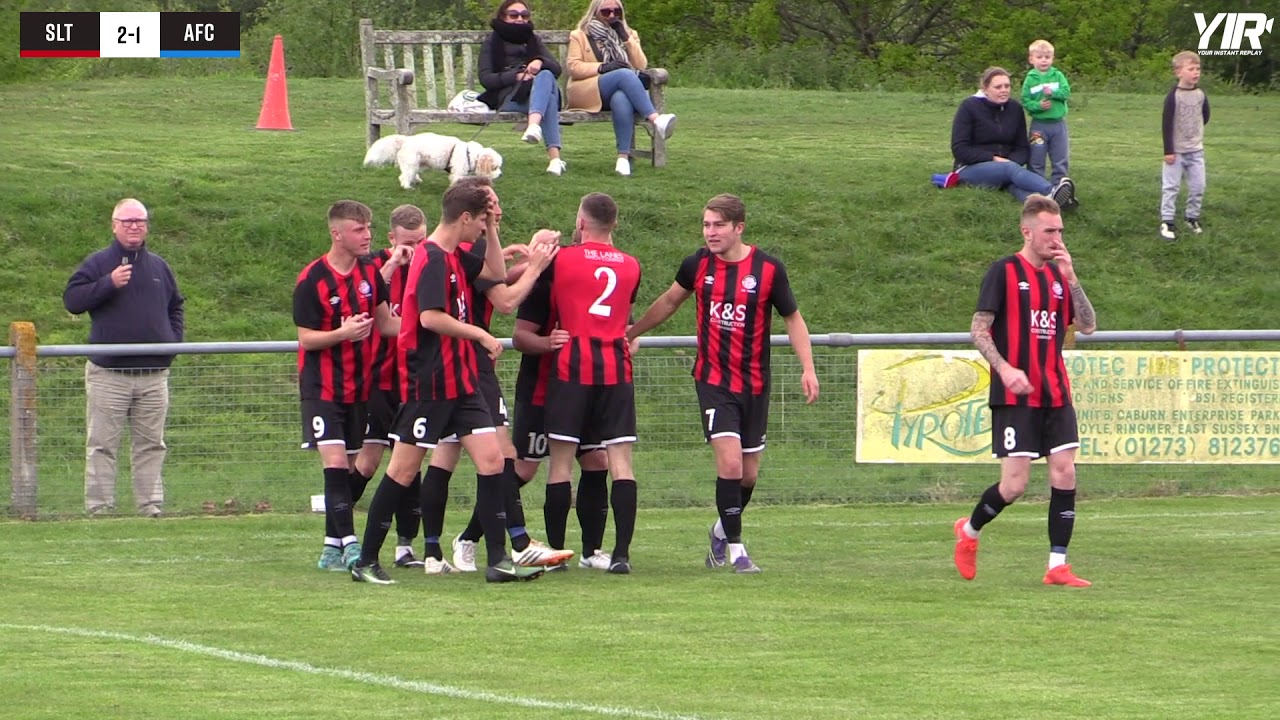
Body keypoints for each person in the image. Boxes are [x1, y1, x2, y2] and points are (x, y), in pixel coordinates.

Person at [349, 182, 557, 585]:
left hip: (463, 382)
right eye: (480, 221)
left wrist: (494, 226)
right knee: (403, 471)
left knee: (494, 461)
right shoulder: (430, 258)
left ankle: (498, 561)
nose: (482, 229)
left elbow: (496, 273)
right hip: (430, 382)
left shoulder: (456, 256)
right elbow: (429, 317)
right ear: (464, 218)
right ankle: (366, 560)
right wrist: (479, 334)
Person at [627, 194, 819, 573]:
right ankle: (736, 550)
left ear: (739, 228)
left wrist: (807, 368)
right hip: (714, 380)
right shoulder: (698, 264)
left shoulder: (767, 270)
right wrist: (631, 332)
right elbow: (669, 301)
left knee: (748, 474)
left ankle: (719, 530)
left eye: (718, 225)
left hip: (755, 383)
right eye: (706, 224)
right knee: (730, 464)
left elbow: (793, 319)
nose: (710, 232)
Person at [414, 176, 574, 574]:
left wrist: (519, 259)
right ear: (474, 213)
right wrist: (535, 267)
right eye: (493, 204)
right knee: (495, 458)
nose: (498, 210)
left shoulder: (469, 246)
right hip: (463, 363)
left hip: (467, 359)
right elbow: (503, 299)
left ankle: (443, 549)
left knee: (448, 457)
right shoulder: (455, 248)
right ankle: (509, 544)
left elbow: (494, 278)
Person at [953, 194, 1097, 588]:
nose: (1057, 239)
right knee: (1014, 485)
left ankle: (1057, 565)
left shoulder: (1058, 277)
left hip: (1056, 392)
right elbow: (978, 328)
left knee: (1064, 472)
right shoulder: (1003, 271)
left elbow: (1087, 325)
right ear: (1027, 231)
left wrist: (1072, 277)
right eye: (1050, 231)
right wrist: (1004, 368)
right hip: (1015, 395)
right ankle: (968, 532)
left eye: (1061, 231)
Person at [530, 192, 642, 574]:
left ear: (580, 223)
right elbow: (624, 318)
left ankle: (558, 554)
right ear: (615, 223)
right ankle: (621, 554)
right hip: (615, 367)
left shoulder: (562, 259)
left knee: (560, 464)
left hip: (572, 365)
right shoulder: (631, 265)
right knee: (621, 464)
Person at [294, 200, 400, 572]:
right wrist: (343, 333)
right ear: (336, 233)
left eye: (368, 227)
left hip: (360, 386)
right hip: (322, 387)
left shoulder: (371, 271)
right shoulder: (312, 279)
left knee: (350, 467)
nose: (367, 234)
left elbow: (386, 324)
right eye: (359, 228)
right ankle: (352, 545)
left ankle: (330, 547)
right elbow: (306, 339)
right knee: (336, 463)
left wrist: (428, 327)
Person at [64, 198, 184, 518]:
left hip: (154, 376)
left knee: (151, 445)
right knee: (102, 445)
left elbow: (176, 307)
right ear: (114, 225)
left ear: (147, 226)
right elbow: (72, 300)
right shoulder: (99, 263)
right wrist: (108, 284)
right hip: (109, 375)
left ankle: (150, 506)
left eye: (140, 221)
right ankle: (100, 508)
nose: (134, 227)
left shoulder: (159, 266)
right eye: (128, 221)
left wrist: (172, 344)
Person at [511, 228, 613, 571]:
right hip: (541, 391)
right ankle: (470, 536)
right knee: (525, 470)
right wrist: (548, 343)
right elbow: (521, 336)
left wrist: (625, 342)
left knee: (597, 461)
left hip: (588, 389)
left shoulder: (601, 286)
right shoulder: (544, 282)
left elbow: (623, 330)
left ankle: (590, 552)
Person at [350, 204, 431, 570]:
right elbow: (363, 298)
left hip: (415, 380)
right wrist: (393, 264)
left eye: (422, 240)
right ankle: (340, 535)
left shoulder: (432, 263)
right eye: (409, 242)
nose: (415, 248)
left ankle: (405, 546)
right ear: (392, 239)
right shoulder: (375, 265)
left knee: (410, 460)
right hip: (380, 379)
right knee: (368, 462)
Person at [566, 0, 676, 177]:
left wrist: (625, 38)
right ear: (595, 12)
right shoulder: (579, 35)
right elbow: (573, 67)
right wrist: (603, 67)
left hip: (619, 90)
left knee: (621, 98)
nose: (612, 16)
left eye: (616, 11)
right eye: (606, 12)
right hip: (588, 89)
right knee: (624, 73)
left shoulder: (629, 34)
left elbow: (641, 65)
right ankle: (656, 119)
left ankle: (623, 158)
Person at [951, 67, 1076, 207]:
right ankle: (1052, 190)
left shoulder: (1015, 108)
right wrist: (993, 159)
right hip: (970, 168)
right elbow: (959, 148)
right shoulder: (969, 107)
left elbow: (1022, 147)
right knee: (1009, 170)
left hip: (1008, 168)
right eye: (998, 87)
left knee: (1016, 186)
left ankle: (1052, 205)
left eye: (1007, 86)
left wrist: (1011, 161)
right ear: (985, 89)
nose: (1004, 90)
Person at [478, 0, 568, 176]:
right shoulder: (492, 41)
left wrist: (540, 61)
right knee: (548, 99)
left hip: (535, 96)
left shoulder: (533, 39)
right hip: (509, 97)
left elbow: (557, 69)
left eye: (524, 15)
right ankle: (555, 160)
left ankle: (533, 126)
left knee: (546, 75)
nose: (520, 19)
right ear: (503, 16)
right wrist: (517, 76)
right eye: (514, 15)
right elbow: (486, 78)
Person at [1160, 51, 1210, 242]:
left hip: (1196, 150)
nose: (1196, 72)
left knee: (1198, 186)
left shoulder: (1200, 94)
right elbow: (1166, 124)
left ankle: (1192, 218)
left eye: (1198, 69)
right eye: (1191, 69)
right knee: (1171, 187)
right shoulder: (1173, 96)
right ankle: (1167, 222)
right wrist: (1169, 151)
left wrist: (1194, 134)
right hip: (1176, 153)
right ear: (1178, 72)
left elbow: (1205, 115)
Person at [1021, 39, 1072, 185]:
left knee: (1060, 157)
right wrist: (1038, 106)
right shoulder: (1030, 79)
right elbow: (1025, 101)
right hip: (1039, 126)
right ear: (1031, 59)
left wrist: (1053, 93)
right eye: (1039, 57)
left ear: (1052, 59)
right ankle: (1037, 185)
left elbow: (1066, 92)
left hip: (1058, 125)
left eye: (1047, 57)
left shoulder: (1058, 76)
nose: (1044, 61)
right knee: (1036, 157)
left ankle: (1060, 185)